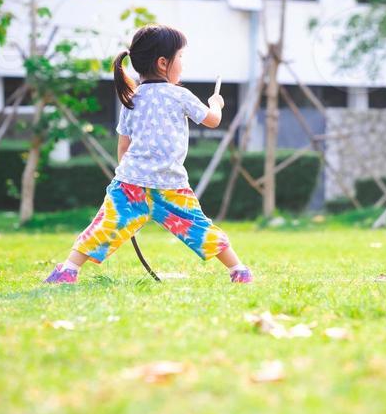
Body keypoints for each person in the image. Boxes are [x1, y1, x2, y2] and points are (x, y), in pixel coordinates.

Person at [43, 24, 253, 284]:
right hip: (171, 185)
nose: (183, 64)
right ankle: (238, 270)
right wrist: (215, 104)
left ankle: (69, 269)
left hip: (131, 184)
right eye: (181, 57)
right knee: (198, 227)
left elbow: (123, 146)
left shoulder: (132, 98)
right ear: (164, 62)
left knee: (104, 225)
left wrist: (128, 176)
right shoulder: (180, 95)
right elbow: (212, 121)